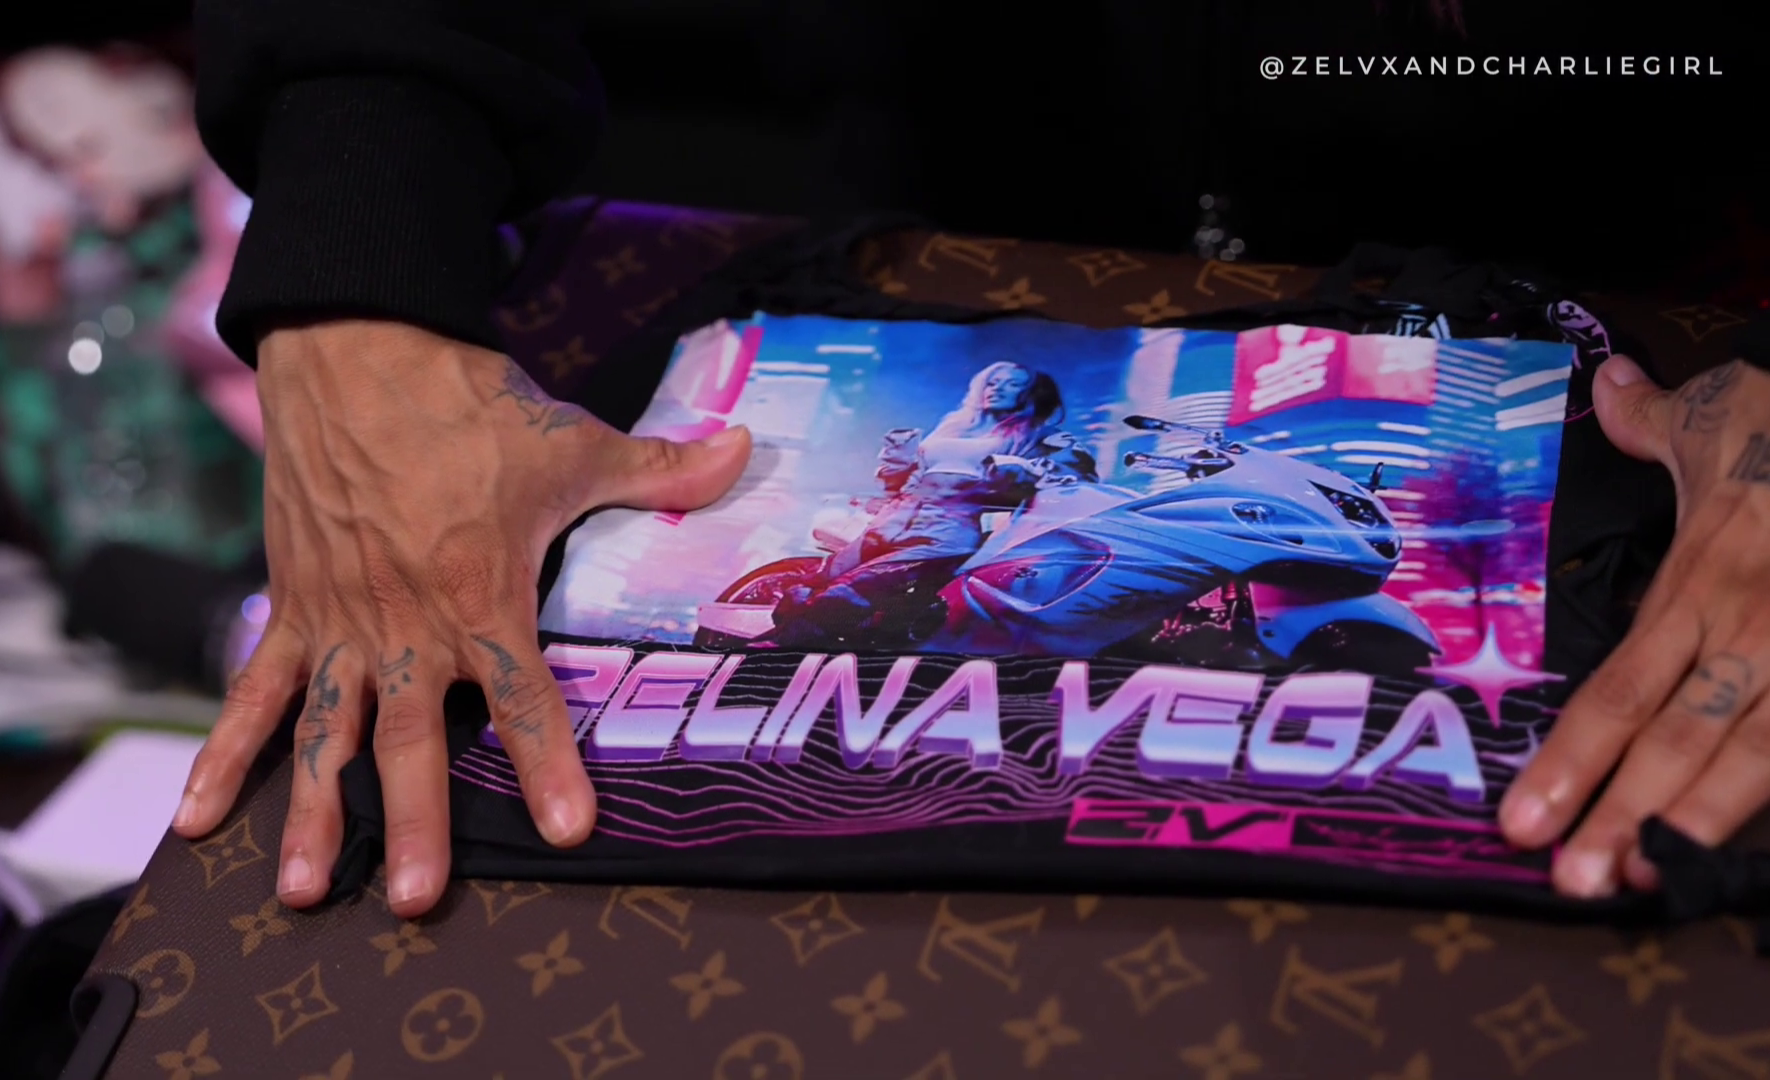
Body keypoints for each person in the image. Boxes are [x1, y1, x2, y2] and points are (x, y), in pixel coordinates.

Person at [174, 0, 1770, 916]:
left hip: (1635, 300)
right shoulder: (971, 444)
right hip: (908, 212)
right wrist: (357, 257)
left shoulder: (1086, 454)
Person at [774, 361, 1093, 645]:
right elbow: (901, 482)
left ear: (1030, 392)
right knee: (813, 582)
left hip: (948, 531)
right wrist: (899, 458)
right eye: (993, 382)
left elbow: (1076, 476)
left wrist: (1019, 471)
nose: (997, 389)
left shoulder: (1039, 435)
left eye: (1012, 383)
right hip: (893, 519)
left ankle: (782, 648)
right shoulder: (955, 426)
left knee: (854, 589)